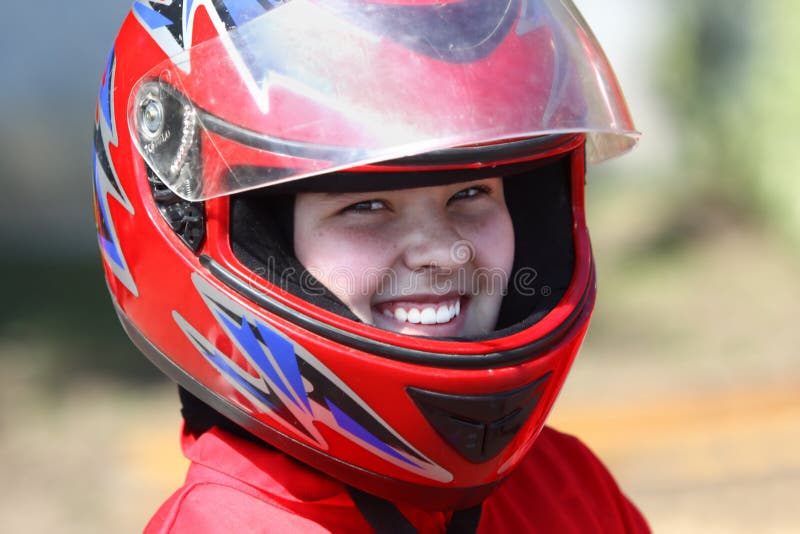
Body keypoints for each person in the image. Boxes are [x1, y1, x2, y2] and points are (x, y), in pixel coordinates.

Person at [93, 0, 649, 531]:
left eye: (472, 192)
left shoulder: (570, 491)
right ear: (204, 224)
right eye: (366, 206)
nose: (441, 250)